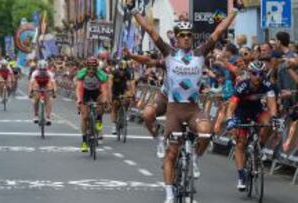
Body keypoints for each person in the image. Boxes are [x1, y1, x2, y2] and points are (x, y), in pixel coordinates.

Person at [127, 1, 237, 202]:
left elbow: (219, 30)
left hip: (193, 108)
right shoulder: (168, 53)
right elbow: (150, 29)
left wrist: (235, 10)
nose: (186, 38)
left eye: (189, 36)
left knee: (206, 132)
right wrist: (133, 10)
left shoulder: (200, 53)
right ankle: (169, 193)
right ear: (176, 39)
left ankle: (195, 158)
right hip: (174, 110)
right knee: (171, 153)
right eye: (182, 36)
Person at [226, 60, 279, 191]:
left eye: (261, 74)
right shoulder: (242, 86)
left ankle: (259, 146)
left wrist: (274, 117)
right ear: (250, 73)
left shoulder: (267, 84)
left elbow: (272, 103)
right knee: (240, 144)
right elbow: (232, 105)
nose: (258, 76)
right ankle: (241, 176)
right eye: (255, 73)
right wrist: (229, 119)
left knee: (269, 123)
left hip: (257, 111)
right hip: (241, 113)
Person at [76, 57, 109, 152]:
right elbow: (79, 88)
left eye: (93, 68)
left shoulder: (101, 74)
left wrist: (105, 99)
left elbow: (104, 89)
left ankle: (98, 119)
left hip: (97, 92)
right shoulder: (82, 73)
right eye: (89, 68)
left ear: (96, 68)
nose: (91, 71)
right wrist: (79, 99)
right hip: (85, 92)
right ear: (86, 67)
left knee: (102, 102)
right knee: (85, 116)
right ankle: (84, 141)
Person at [28, 60, 57, 125]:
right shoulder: (35, 73)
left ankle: (48, 117)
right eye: (41, 69)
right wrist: (30, 92)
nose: (42, 71)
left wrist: (54, 92)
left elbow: (53, 83)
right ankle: (35, 115)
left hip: (46, 85)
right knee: (36, 100)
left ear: (46, 68)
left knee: (48, 100)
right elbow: (31, 83)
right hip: (37, 84)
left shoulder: (49, 73)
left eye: (44, 69)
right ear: (38, 68)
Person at [110, 60, 133, 134]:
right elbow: (109, 83)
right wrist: (110, 95)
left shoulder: (128, 73)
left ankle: (124, 113)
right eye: (121, 70)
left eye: (124, 70)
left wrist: (132, 93)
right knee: (115, 105)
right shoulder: (114, 73)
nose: (122, 72)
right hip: (115, 90)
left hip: (123, 89)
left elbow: (130, 83)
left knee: (127, 100)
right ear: (118, 69)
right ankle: (114, 125)